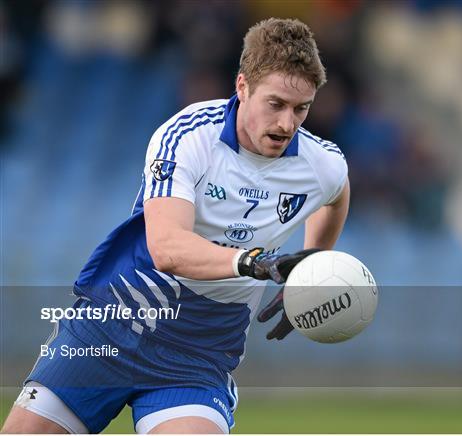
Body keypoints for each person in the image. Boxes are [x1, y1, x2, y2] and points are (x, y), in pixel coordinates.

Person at [2, 17, 349, 434]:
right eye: (275, 104)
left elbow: (336, 193)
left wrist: (310, 269)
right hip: (110, 325)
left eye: (301, 108)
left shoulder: (321, 162)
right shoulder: (187, 136)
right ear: (242, 87)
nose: (286, 124)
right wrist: (254, 263)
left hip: (196, 355)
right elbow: (167, 248)